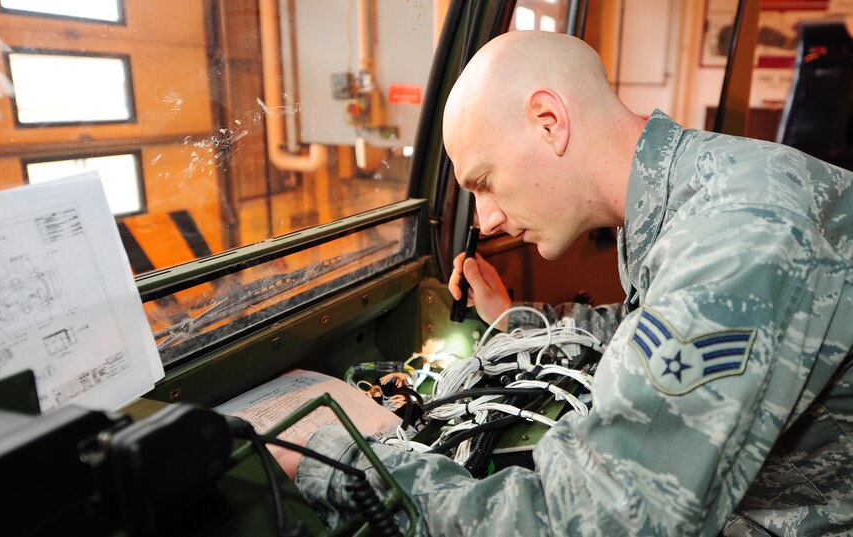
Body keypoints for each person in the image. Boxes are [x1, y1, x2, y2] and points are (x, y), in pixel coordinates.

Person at [277, 30, 853, 536]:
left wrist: (335, 463)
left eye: (485, 182)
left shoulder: (738, 232)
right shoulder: (693, 196)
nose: (486, 221)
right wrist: (514, 320)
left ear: (548, 122)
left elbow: (593, 522)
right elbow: (647, 326)